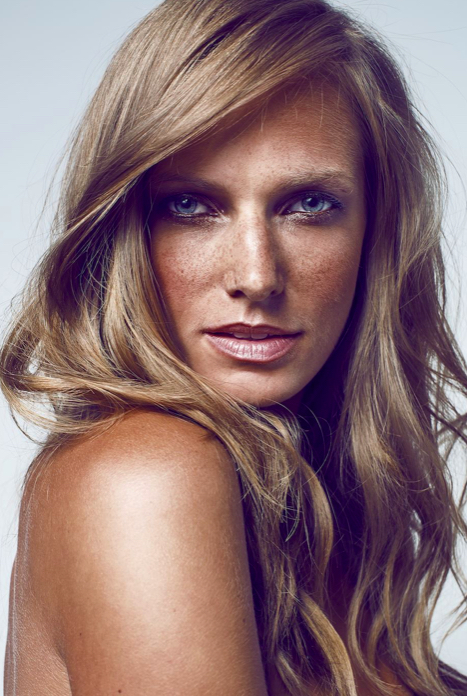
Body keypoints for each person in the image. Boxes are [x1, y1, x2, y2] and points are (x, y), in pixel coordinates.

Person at [1, 0, 466, 693]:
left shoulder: (317, 515)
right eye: (191, 205)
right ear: (124, 229)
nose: (256, 275)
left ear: (375, 230)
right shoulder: (147, 477)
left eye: (308, 204)